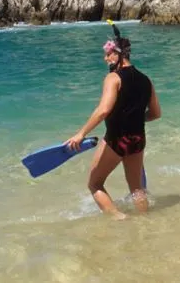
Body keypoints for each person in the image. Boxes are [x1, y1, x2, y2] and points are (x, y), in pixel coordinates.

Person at [66, 31, 161, 219]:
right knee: (136, 187)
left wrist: (81, 133)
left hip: (118, 139)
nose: (105, 58)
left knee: (94, 184)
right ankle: (145, 222)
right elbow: (156, 113)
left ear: (119, 54)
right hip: (138, 139)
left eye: (109, 54)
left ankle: (120, 219)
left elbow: (103, 110)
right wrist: (133, 118)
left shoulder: (113, 78)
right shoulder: (146, 80)